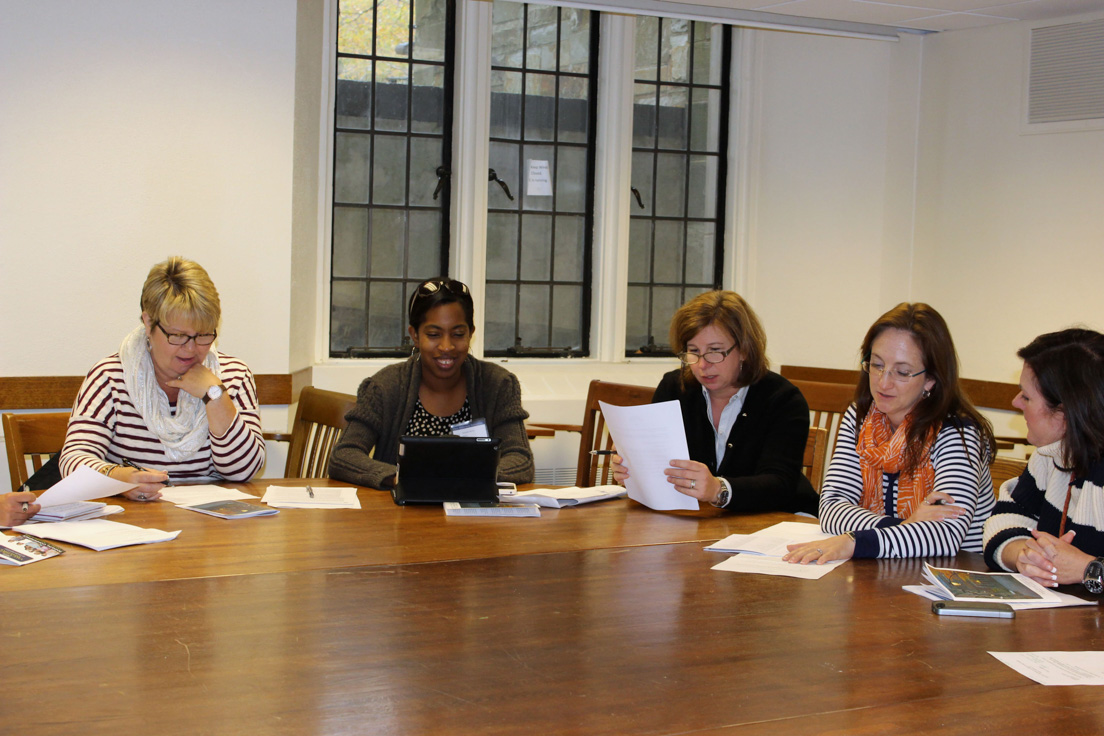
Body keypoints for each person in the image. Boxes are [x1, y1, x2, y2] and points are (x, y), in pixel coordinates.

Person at [784, 303, 996, 563]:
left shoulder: (957, 432)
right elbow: (830, 509)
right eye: (877, 365)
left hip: (957, 575)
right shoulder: (860, 418)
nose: (883, 382)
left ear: (931, 379)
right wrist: (907, 524)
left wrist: (855, 540)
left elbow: (944, 535)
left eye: (902, 372)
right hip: (884, 569)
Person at [60, 257, 265, 501]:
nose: (190, 349)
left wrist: (215, 396)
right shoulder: (110, 377)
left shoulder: (234, 375)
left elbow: (243, 471)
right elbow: (73, 460)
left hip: (211, 525)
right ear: (148, 323)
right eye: (178, 336)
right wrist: (118, 478)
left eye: (202, 336)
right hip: (134, 523)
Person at [612, 290, 818, 514]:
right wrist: (633, 470)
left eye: (715, 351)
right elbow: (658, 464)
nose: (702, 365)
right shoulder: (675, 388)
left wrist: (718, 490)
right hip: (702, 520)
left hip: (778, 521)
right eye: (693, 352)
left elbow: (780, 484)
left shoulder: (783, 399)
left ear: (745, 350)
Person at [329, 278, 534, 489]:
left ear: (471, 333)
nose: (447, 346)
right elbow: (344, 455)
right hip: (401, 516)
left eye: (458, 334)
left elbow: (520, 460)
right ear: (415, 336)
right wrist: (400, 477)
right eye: (434, 335)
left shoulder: (498, 385)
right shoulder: (384, 387)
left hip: (474, 515)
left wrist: (468, 477)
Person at [983, 329, 1104, 591]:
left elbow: (1084, 569)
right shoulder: (1050, 454)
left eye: (1026, 396)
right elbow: (1003, 520)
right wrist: (1023, 557)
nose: (1015, 402)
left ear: (1065, 411)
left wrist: (1088, 569)